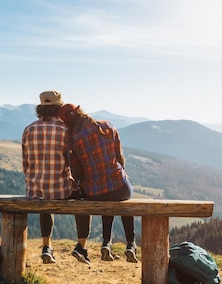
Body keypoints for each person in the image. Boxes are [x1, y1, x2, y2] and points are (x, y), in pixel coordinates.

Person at [58, 103, 138, 263]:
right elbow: (120, 158)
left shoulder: (72, 140)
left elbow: (76, 172)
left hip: (94, 192)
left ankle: (106, 243)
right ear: (80, 111)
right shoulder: (107, 125)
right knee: (124, 198)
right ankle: (130, 244)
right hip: (119, 186)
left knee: (104, 194)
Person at [22, 90, 77, 264]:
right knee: (81, 192)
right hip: (62, 189)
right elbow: (72, 161)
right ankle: (82, 245)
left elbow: (25, 163)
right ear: (59, 107)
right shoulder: (65, 129)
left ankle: (47, 245)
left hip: (34, 189)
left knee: (44, 195)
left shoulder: (29, 129)